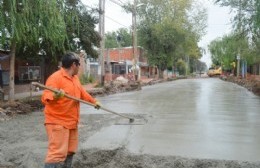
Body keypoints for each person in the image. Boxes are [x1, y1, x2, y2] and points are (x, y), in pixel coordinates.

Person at [41, 52, 101, 168]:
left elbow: (82, 93)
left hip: (72, 122)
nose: (79, 68)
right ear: (74, 65)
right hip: (58, 122)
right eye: (79, 65)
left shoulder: (75, 79)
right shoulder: (56, 78)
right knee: (56, 155)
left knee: (70, 150)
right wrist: (56, 95)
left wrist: (94, 102)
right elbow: (45, 97)